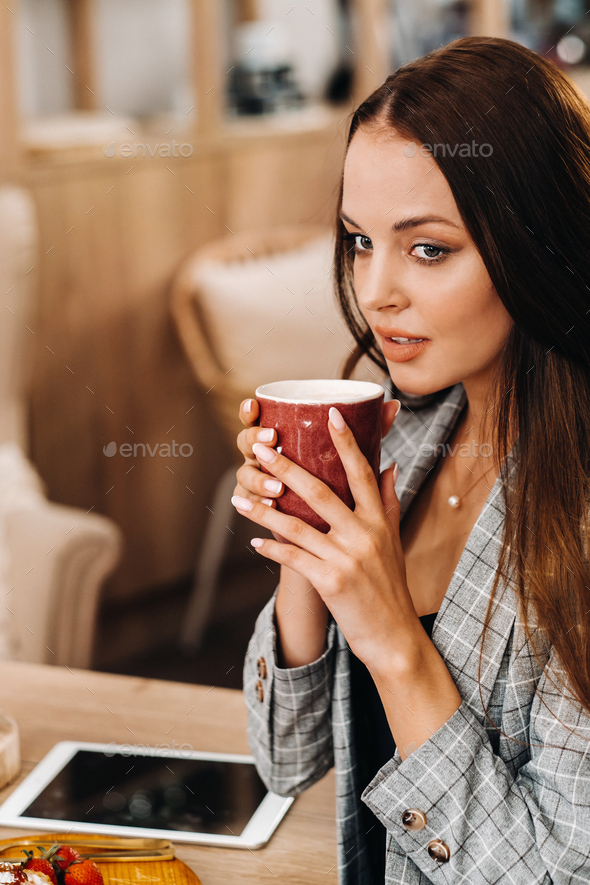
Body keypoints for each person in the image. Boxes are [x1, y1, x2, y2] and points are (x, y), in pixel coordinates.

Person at [232, 35, 590, 884]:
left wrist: (394, 640)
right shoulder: (408, 440)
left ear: (532, 242)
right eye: (360, 240)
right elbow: (287, 760)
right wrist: (304, 537)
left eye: (428, 248)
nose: (376, 290)